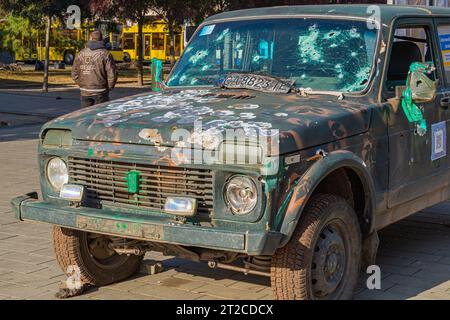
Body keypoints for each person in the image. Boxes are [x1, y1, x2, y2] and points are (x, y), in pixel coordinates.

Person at [71, 30, 118, 108]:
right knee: (100, 117)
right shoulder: (106, 54)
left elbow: (74, 74)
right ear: (101, 39)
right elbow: (112, 74)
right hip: (101, 91)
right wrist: (109, 87)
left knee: (86, 116)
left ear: (90, 38)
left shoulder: (80, 53)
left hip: (85, 91)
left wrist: (82, 84)